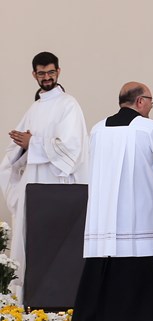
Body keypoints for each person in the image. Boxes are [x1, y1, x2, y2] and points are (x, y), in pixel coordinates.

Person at [72, 82, 153, 321]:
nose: (151, 105)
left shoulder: (98, 129)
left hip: (105, 213)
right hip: (141, 211)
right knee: (144, 260)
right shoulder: (149, 129)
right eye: (150, 99)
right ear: (140, 101)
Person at [1, 51, 88, 297]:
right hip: (33, 184)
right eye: (42, 73)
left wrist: (33, 143)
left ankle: (57, 297)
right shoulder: (35, 107)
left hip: (56, 185)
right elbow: (14, 151)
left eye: (51, 72)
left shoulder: (68, 104)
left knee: (55, 242)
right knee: (32, 243)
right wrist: (22, 146)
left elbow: (71, 148)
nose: (47, 77)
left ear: (58, 72)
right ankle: (27, 296)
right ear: (34, 75)